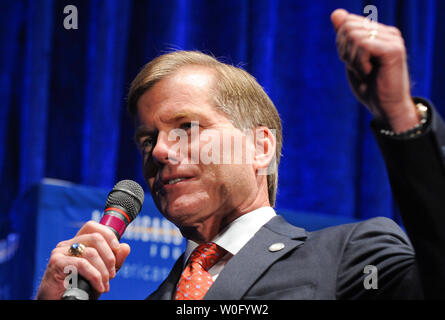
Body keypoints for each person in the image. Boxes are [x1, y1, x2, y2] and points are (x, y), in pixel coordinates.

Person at [36, 9, 445, 300]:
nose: (159, 151)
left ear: (260, 147)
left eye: (187, 128)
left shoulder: (350, 256)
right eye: (147, 140)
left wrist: (402, 119)